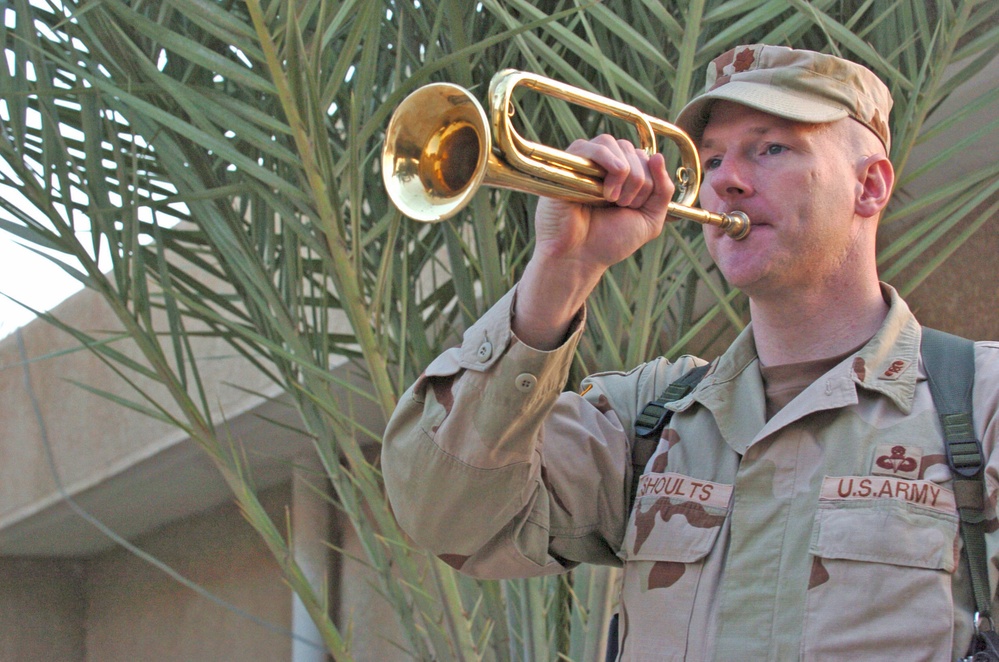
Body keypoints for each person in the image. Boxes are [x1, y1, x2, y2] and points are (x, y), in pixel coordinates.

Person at [381, 44, 999, 660]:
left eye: (771, 148)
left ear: (869, 185)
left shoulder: (979, 403)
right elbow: (446, 513)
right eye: (711, 159)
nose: (724, 180)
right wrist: (559, 273)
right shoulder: (651, 419)